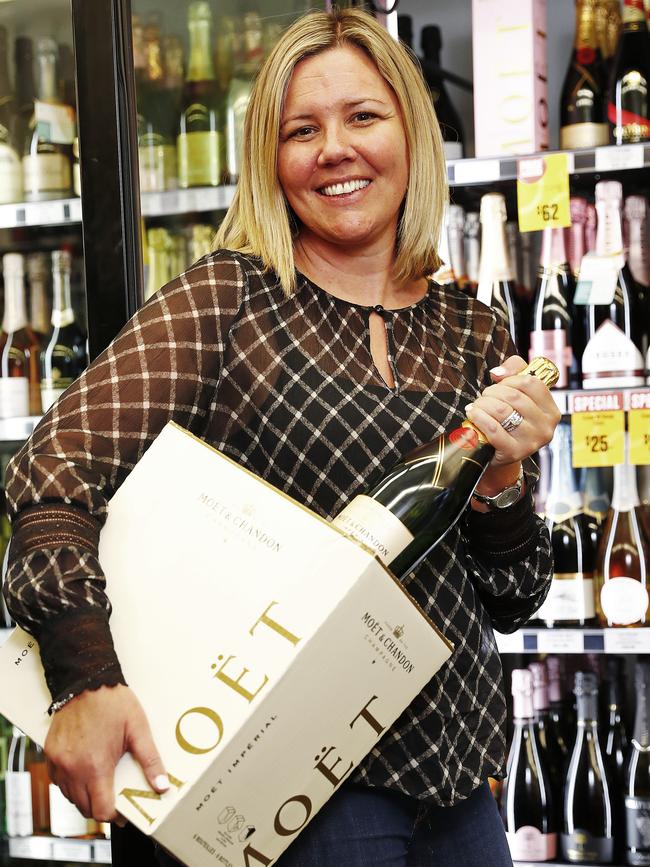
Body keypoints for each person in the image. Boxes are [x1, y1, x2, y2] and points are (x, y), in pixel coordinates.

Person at [3, 8, 560, 867]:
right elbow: (51, 472)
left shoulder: (470, 330)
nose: (334, 148)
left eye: (363, 117)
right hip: (297, 798)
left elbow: (514, 600)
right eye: (303, 129)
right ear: (273, 157)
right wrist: (87, 675)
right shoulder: (232, 299)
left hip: (460, 796)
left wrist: (501, 481)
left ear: (411, 132)